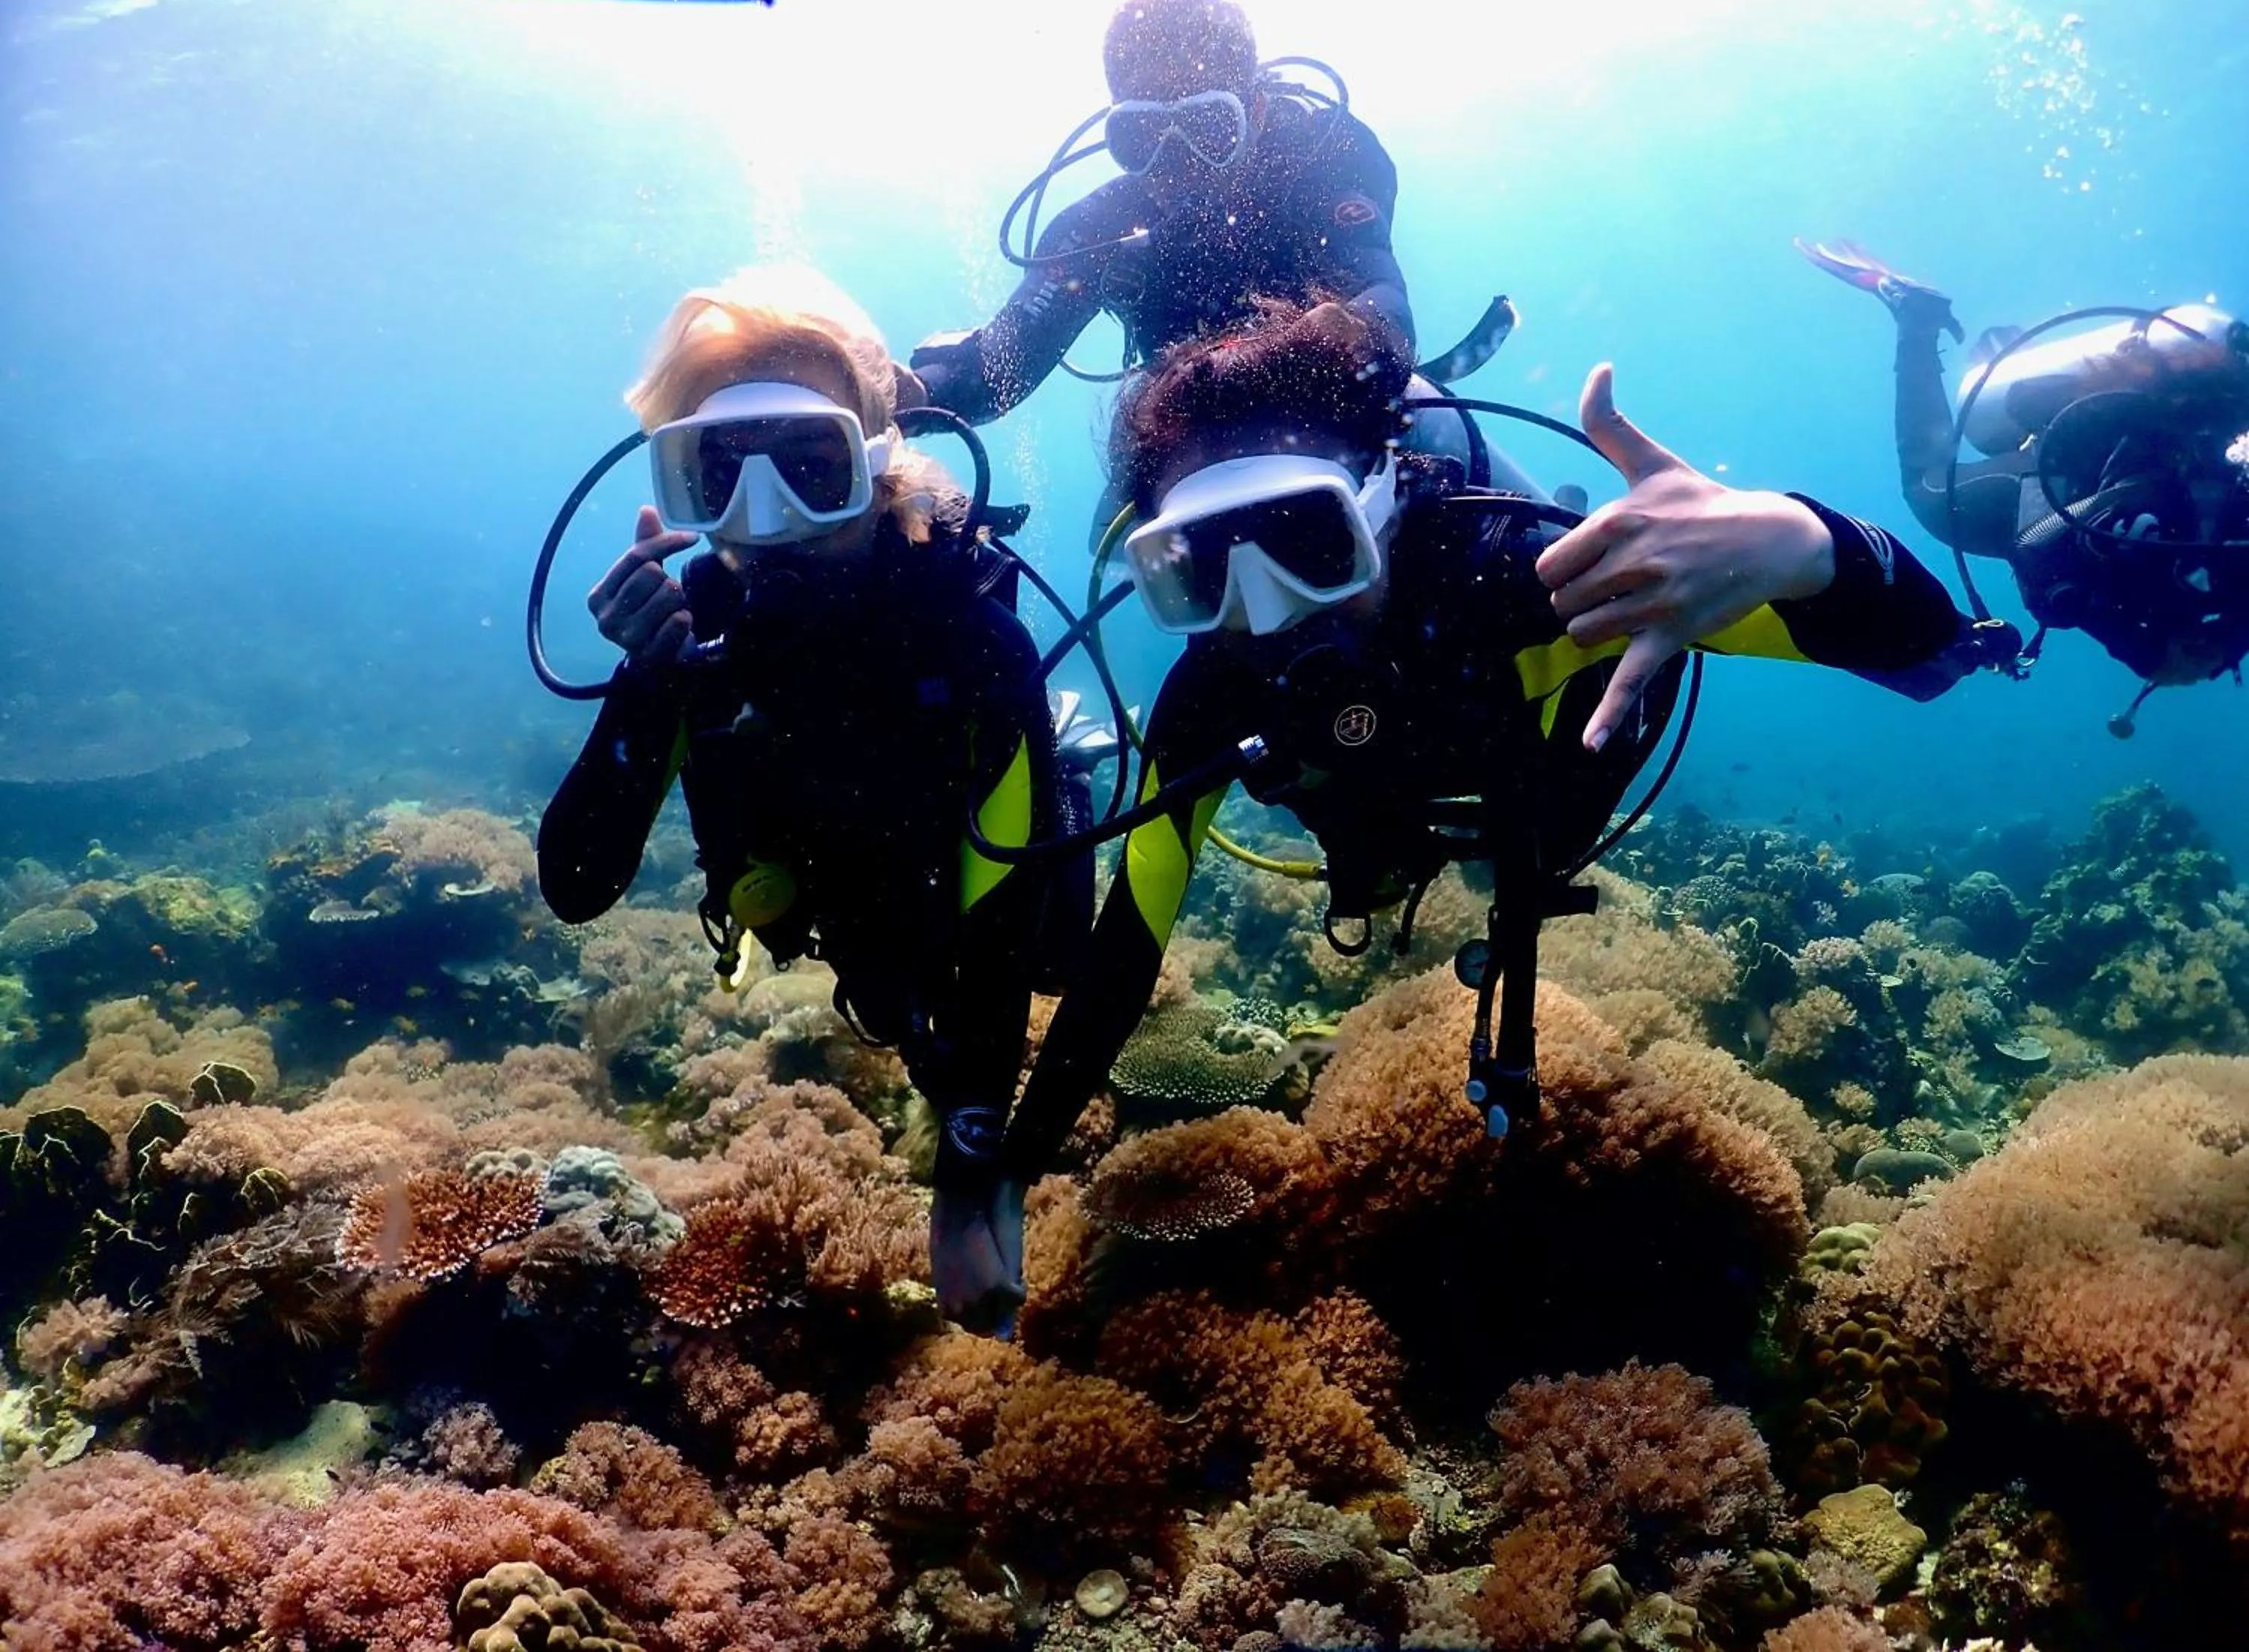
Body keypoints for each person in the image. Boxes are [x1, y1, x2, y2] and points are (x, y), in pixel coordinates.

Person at [956, 297, 2020, 1332]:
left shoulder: (1542, 585)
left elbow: (1930, 659)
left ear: (1383, 496)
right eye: (1200, 567)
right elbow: (1124, 953)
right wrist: (1003, 1169)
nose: (1268, 607)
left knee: (1545, 808)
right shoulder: (1207, 700)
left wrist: (1802, 542)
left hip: (1548, 790)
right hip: (1381, 830)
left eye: (1306, 540)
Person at [536, 268, 1088, 1332]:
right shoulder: (694, 631)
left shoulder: (969, 630)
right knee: (870, 982)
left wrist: (968, 1163)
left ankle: (1064, 754)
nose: (765, 515)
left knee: (1055, 956)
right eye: (718, 473)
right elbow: (576, 885)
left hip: (955, 880)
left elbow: (1004, 950)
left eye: (809, 466)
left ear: (875, 462)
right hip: (803, 894)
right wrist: (649, 686)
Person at [909, 0, 1415, 424]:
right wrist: (909, 394)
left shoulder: (1323, 156)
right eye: (1142, 135)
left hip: (1346, 412)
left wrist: (1362, 330)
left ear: (1256, 112)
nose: (1176, 163)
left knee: (1437, 424)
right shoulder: (1098, 228)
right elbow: (1001, 365)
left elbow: (1379, 286)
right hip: (1185, 438)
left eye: (1209, 127)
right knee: (1110, 534)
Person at [1798, 238, 2249, 724]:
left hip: (2101, 451)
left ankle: (2005, 369)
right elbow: (2041, 552)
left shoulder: (2222, 479)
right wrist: (2143, 651)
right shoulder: (2167, 491)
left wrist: (2221, 642)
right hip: (2046, 483)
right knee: (1927, 487)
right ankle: (1918, 323)